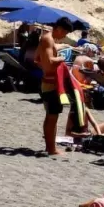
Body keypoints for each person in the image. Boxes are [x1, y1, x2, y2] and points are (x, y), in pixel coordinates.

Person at [35, 16, 75, 156]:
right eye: (64, 33)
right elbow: (50, 62)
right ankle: (52, 149)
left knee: (51, 116)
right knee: (52, 116)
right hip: (50, 84)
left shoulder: (47, 40)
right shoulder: (48, 39)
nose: (64, 36)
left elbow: (37, 60)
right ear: (58, 28)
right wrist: (62, 59)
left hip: (48, 82)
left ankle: (49, 147)